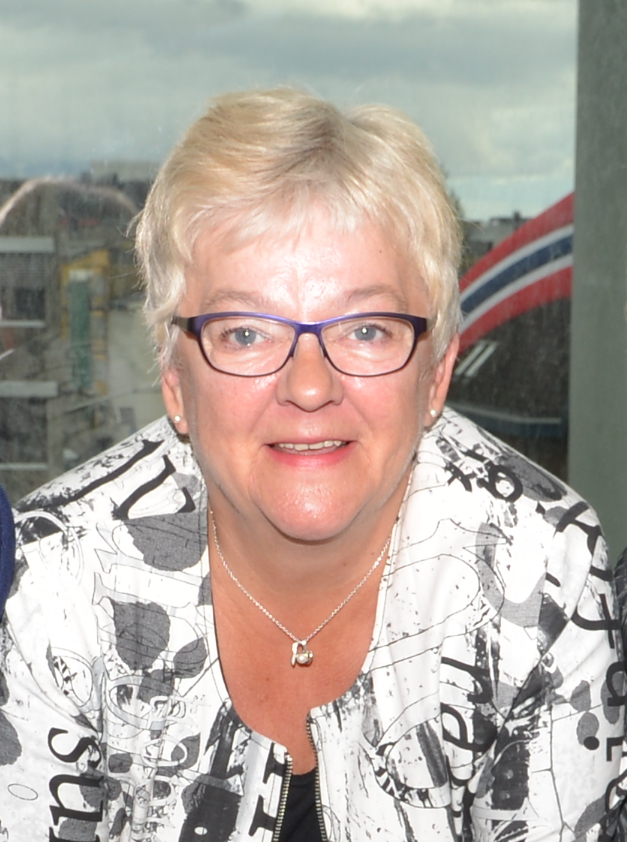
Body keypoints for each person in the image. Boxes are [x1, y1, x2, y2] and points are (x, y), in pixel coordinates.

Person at [0, 88, 624, 842]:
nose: (308, 386)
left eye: (365, 329)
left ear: (435, 372)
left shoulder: (543, 573)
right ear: (173, 379)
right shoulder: (55, 577)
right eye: (245, 333)